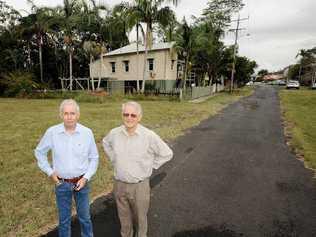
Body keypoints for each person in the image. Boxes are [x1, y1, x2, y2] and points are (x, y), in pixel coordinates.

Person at [102, 101, 173, 237]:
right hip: (119, 184)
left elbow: (167, 153)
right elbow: (105, 143)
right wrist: (114, 158)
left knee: (140, 219)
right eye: (126, 114)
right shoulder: (115, 133)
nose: (129, 118)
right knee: (124, 219)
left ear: (139, 117)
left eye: (133, 115)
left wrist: (150, 165)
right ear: (122, 116)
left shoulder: (148, 136)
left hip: (139, 187)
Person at [34, 99, 99, 237]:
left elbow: (94, 158)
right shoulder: (52, 132)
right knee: (64, 220)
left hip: (82, 183)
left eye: (72, 113)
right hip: (62, 183)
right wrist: (50, 172)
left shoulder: (87, 133)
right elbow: (39, 152)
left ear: (78, 115)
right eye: (66, 113)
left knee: (85, 218)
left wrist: (86, 178)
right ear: (61, 115)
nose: (69, 117)